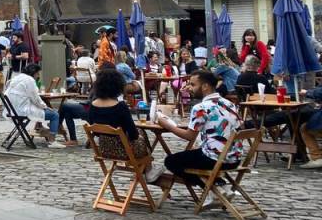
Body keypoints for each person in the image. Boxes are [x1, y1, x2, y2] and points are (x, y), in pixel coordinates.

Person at [158, 70, 243, 208]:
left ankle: (214, 188)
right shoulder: (229, 104)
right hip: (234, 158)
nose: (190, 88)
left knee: (171, 161)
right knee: (191, 155)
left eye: (193, 84)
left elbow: (189, 136)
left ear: (205, 86)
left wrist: (168, 126)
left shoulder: (201, 107)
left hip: (214, 159)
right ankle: (219, 186)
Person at [87, 68, 165, 182]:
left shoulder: (93, 106)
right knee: (141, 133)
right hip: (124, 150)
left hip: (104, 148)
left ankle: (145, 169)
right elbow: (133, 134)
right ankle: (148, 169)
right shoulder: (120, 107)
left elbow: (96, 131)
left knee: (139, 132)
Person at [4, 63, 59, 142]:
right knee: (54, 114)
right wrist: (46, 107)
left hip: (12, 110)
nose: (38, 76)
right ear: (34, 73)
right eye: (37, 74)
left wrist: (43, 106)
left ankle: (40, 127)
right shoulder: (29, 80)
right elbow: (35, 98)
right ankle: (52, 140)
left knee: (41, 109)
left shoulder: (16, 78)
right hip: (22, 110)